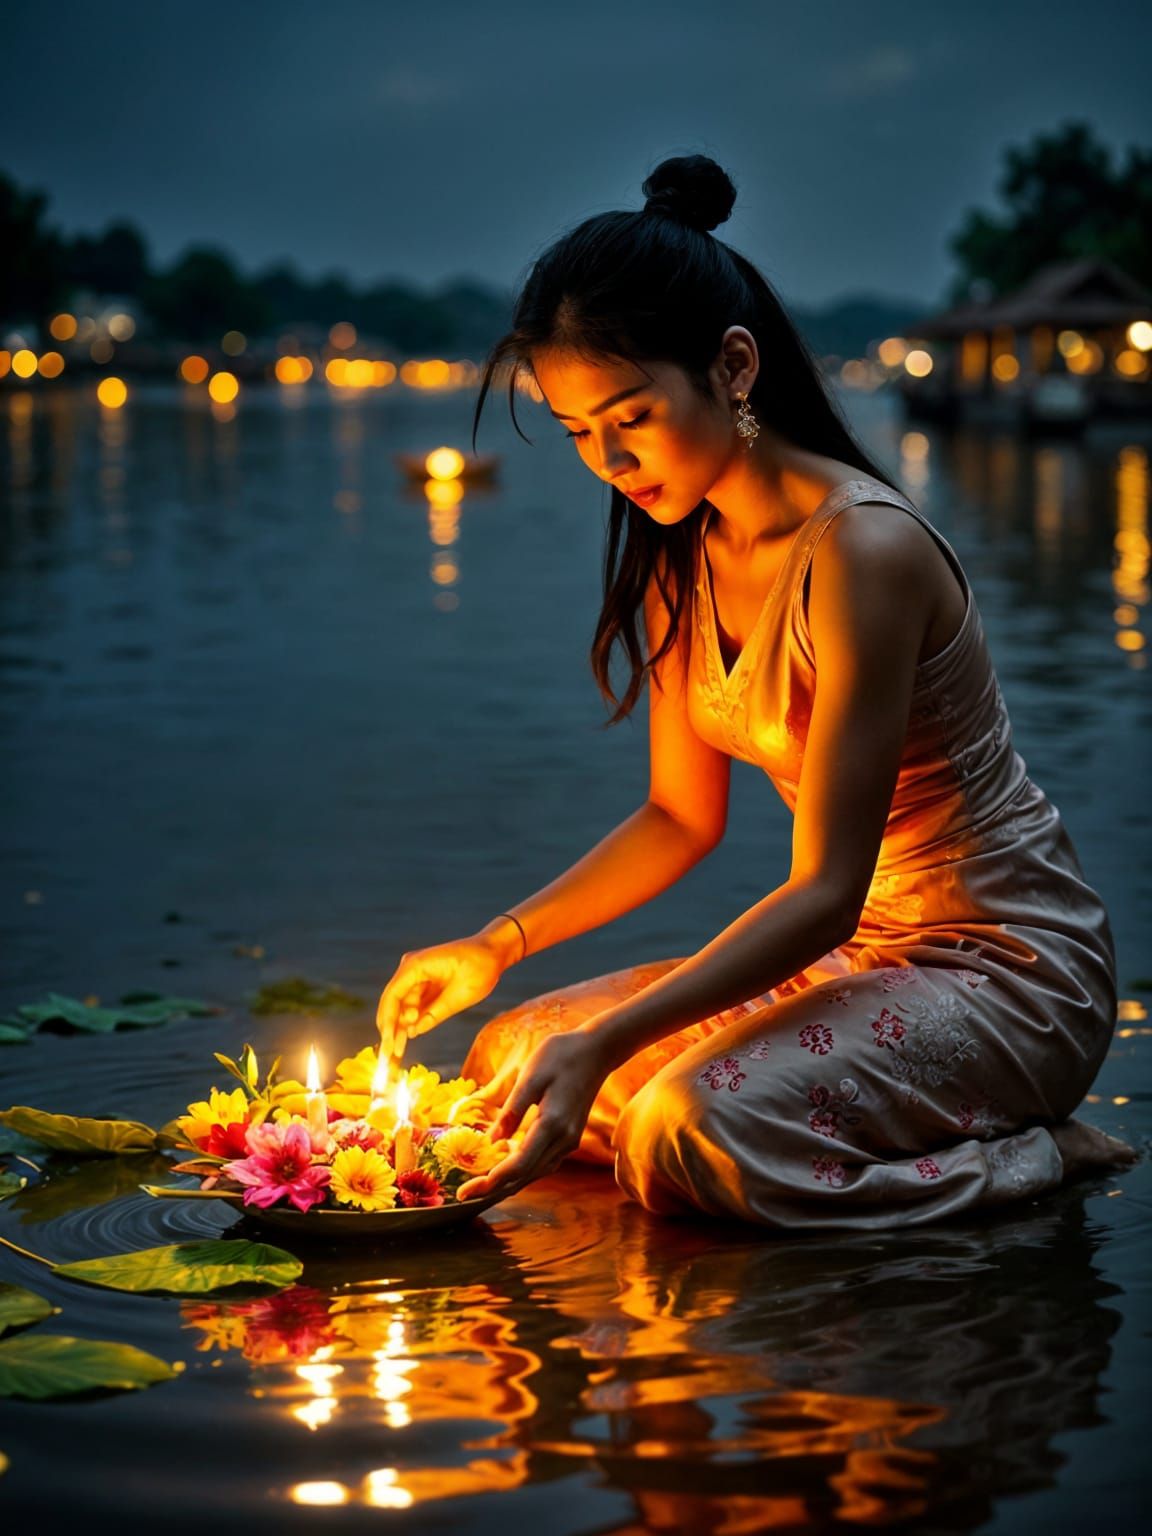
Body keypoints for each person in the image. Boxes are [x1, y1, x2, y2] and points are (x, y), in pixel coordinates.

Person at [376, 154, 1137, 1229]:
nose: (610, 460)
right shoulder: (681, 552)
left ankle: (1025, 1160)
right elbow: (680, 817)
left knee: (682, 1128)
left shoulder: (863, 554)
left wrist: (616, 1040)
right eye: (580, 433)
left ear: (734, 367)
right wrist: (494, 945)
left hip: (1003, 973)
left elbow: (826, 886)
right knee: (509, 1060)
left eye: (631, 415)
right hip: (852, 962)